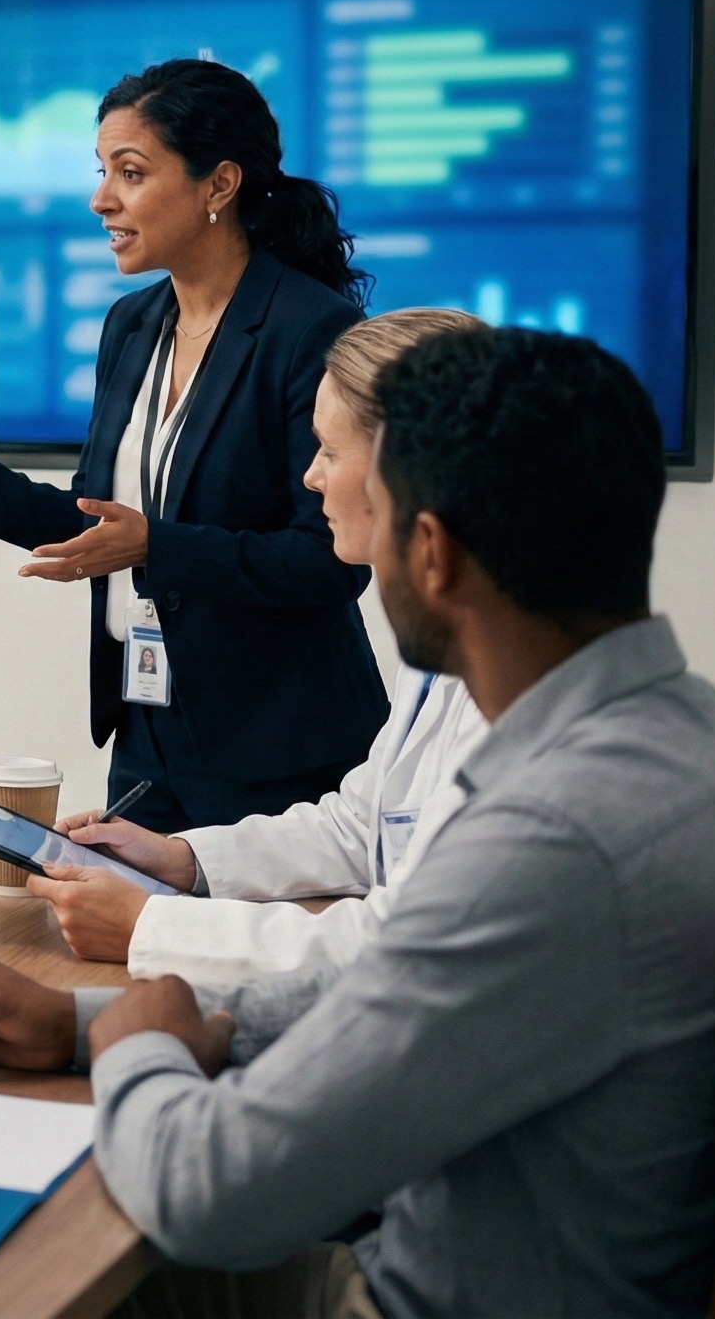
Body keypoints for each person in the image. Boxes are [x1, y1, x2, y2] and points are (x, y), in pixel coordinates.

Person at [0, 328, 715, 1318]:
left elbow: (212, 1197)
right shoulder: (702, 743)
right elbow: (392, 995)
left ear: (431, 549)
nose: (313, 483)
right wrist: (79, 1024)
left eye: (334, 461)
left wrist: (133, 1046)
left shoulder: (558, 840)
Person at [0, 59, 386, 832]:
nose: (102, 199)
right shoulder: (132, 325)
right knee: (122, 944)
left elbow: (329, 560)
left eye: (131, 171)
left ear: (219, 185)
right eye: (102, 171)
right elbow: (102, 526)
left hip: (278, 744)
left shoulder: (306, 329)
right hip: (146, 722)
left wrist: (156, 546)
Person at [30, 308, 490, 983]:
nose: (310, 478)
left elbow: (413, 947)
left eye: (330, 453)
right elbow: (357, 828)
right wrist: (180, 859)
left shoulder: (515, 697)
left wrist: (152, 925)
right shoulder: (445, 655)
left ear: (413, 470)